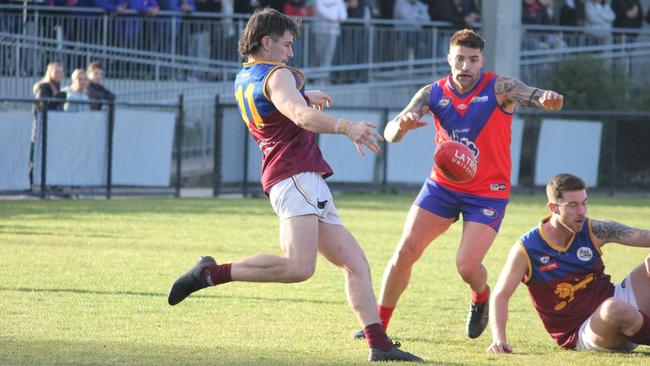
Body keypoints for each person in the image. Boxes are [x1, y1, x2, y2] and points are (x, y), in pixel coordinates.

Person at [167, 8, 423, 362]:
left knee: (356, 263)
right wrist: (347, 126)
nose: (290, 53)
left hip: (299, 176)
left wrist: (302, 93)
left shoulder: (247, 75)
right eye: (286, 45)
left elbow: (278, 104)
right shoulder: (278, 75)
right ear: (266, 42)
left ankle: (379, 344)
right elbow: (299, 116)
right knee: (299, 268)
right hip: (294, 174)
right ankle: (209, 274)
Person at [353, 28, 564, 341]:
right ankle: (378, 327)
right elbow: (390, 133)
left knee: (466, 266)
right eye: (460, 58)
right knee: (404, 251)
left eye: (473, 59)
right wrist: (402, 126)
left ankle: (480, 295)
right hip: (443, 187)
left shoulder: (499, 87)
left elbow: (534, 95)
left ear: (481, 61)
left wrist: (548, 100)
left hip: (487, 193)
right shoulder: (432, 93)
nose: (466, 65)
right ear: (448, 58)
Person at [488, 173, 650, 353]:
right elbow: (500, 295)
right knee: (614, 308)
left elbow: (643, 236)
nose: (581, 211)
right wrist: (499, 339)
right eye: (573, 205)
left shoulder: (593, 229)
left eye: (584, 203)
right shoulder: (527, 248)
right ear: (553, 208)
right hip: (583, 331)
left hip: (614, 300)